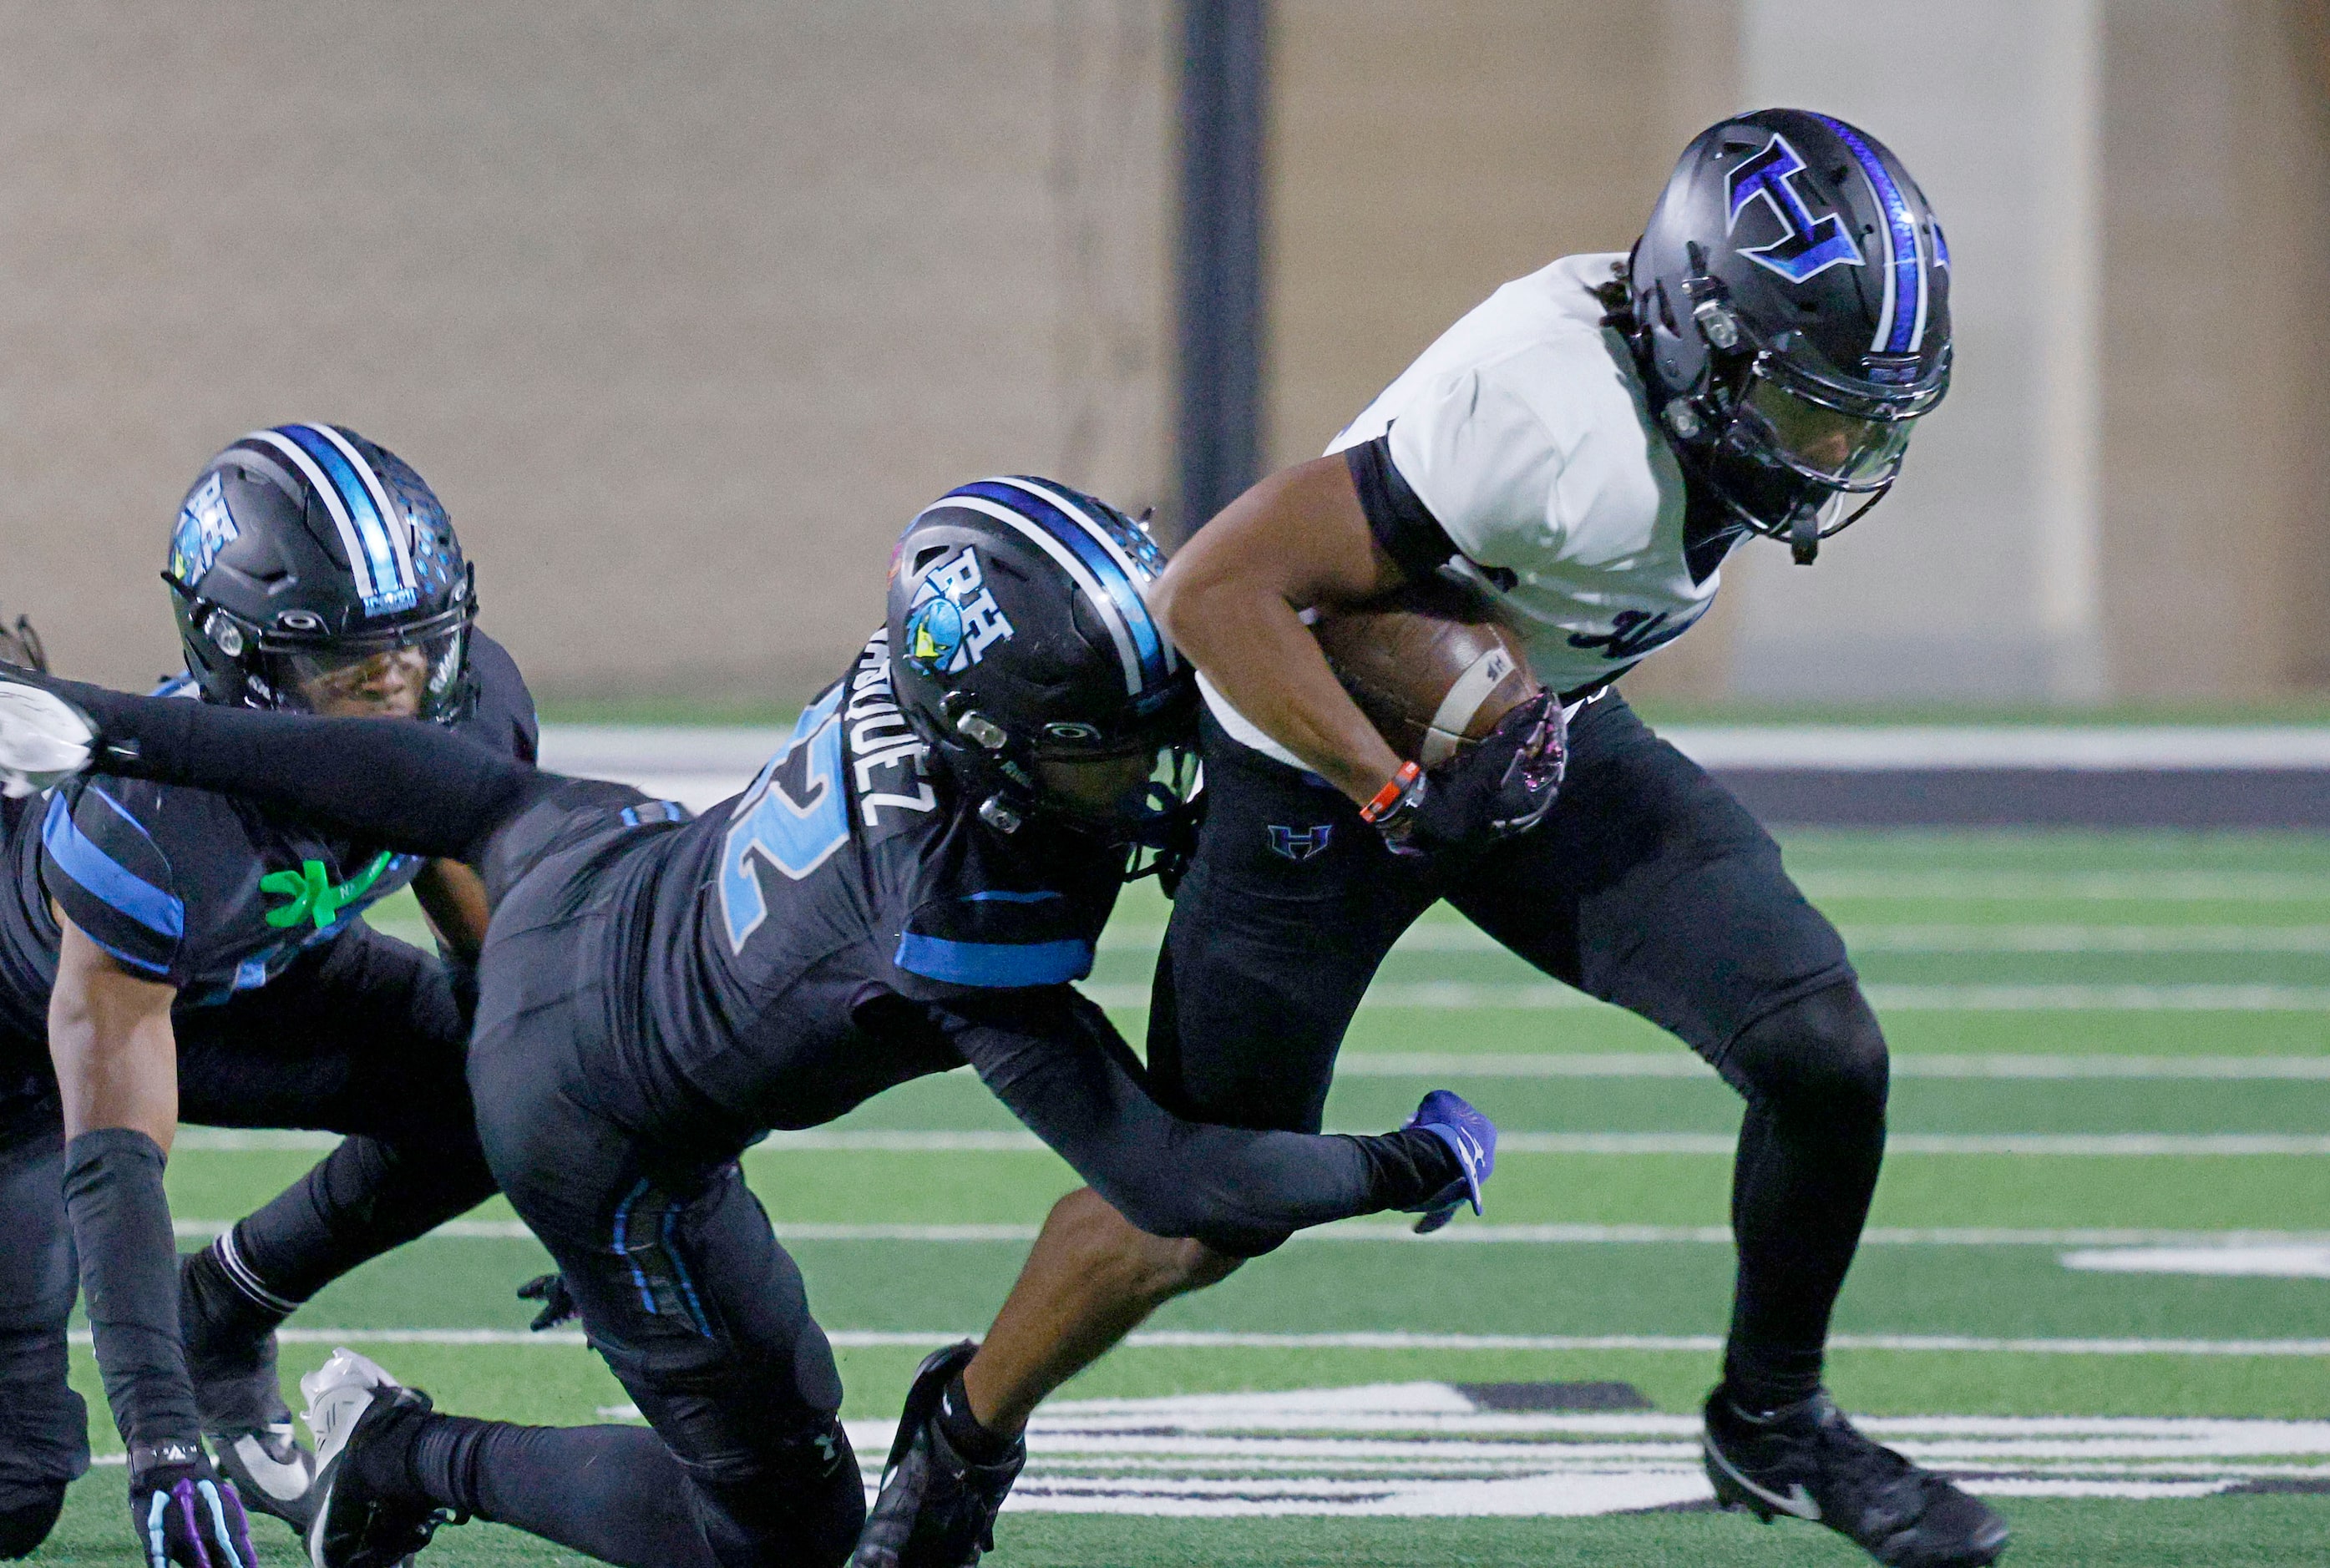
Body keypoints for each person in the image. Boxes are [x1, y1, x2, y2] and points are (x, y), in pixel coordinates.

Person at [864, 109, 2009, 1568]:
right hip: (1309, 771)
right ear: (1697, 336)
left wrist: (1483, 747)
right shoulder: (1542, 413)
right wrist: (1386, 792)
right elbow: (1215, 586)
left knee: (1821, 1049)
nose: (1833, 450)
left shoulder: (1673, 401)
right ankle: (957, 1440)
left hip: (1535, 731)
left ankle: (1771, 1418)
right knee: (1198, 1210)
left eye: (1858, 418)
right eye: (1805, 411)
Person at [0, 474, 1498, 1568]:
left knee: (470, 1001)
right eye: (1107, 745)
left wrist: (115, 713)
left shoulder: (907, 687)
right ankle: (400, 1458)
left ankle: (250, 1306)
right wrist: (1408, 1160)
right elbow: (1171, 1182)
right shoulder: (955, 907)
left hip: (578, 871)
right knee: (782, 1537)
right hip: (574, 1097)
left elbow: (454, 798)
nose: (1154, 766)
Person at [0, 424, 534, 1565]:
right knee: (18, 1479)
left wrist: (590, 1177)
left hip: (240, 980)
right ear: (242, 666)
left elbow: (495, 953)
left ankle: (230, 1307)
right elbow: (113, 1160)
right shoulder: (153, 830)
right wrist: (162, 1445)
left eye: (417, 649)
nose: (397, 689)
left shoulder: (469, 702)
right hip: (28, 1042)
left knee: (512, 1093)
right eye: (348, 665)